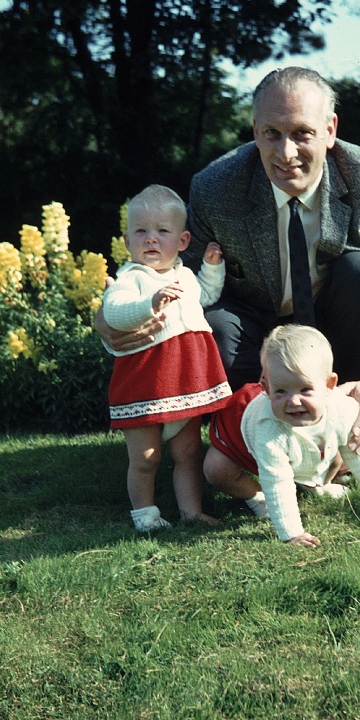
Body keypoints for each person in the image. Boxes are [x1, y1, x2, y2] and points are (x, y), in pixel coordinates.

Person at [95, 66, 360, 460]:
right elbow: (174, 276)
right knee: (217, 325)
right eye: (272, 134)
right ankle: (247, 442)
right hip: (251, 332)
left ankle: (346, 426)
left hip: (334, 332)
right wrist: (110, 317)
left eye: (302, 134)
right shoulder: (215, 187)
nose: (286, 153)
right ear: (255, 130)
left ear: (330, 130)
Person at [204, 324, 360, 548]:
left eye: (305, 390)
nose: (293, 401)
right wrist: (292, 533)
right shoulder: (268, 428)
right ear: (266, 388)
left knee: (340, 449)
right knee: (216, 470)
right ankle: (255, 496)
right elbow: (277, 480)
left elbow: (357, 451)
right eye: (280, 391)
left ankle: (316, 484)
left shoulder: (342, 409)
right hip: (241, 442)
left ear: (330, 385)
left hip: (304, 445)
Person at [102, 184, 232, 532]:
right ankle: (146, 516)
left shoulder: (184, 275)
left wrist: (211, 268)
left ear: (183, 241)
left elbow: (205, 295)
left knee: (188, 452)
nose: (151, 239)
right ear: (127, 242)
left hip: (187, 379)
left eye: (162, 231)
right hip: (146, 380)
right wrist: (150, 304)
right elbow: (114, 313)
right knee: (147, 458)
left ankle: (192, 512)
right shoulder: (129, 279)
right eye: (141, 231)